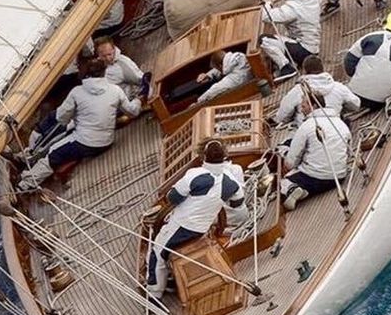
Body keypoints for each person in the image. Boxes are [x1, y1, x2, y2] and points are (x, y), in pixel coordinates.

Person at [17, 59, 141, 191]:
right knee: (66, 135)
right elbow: (133, 111)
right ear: (103, 73)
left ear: (86, 73)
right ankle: (30, 157)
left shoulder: (77, 92)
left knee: (53, 153)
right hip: (106, 140)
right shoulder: (115, 90)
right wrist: (138, 100)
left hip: (85, 142)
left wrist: (70, 120)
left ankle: (25, 184)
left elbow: (61, 118)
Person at [146, 140, 247, 299]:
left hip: (181, 226)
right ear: (225, 156)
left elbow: (173, 197)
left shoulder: (194, 175)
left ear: (203, 156)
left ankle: (154, 294)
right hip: (201, 229)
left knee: (158, 252)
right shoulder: (231, 182)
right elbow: (237, 203)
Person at [280, 92, 351, 211]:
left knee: (282, 183)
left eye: (304, 106)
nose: (302, 110)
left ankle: (292, 189)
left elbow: (291, 161)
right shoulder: (341, 124)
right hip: (339, 176)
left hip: (315, 177)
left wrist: (285, 160)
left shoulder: (307, 126)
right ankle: (303, 191)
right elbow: (348, 150)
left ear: (314, 106)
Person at [260, 0, 321, 82]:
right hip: (314, 48)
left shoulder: (291, 9)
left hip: (304, 50)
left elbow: (266, 16)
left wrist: (267, 3)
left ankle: (286, 67)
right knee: (284, 39)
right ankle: (292, 61)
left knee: (264, 40)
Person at [271, 55, 361, 126]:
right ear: (322, 69)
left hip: (307, 129)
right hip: (335, 126)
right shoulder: (339, 87)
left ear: (305, 71)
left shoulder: (298, 90)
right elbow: (356, 105)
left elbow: (282, 116)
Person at [94, 36, 149, 101]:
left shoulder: (122, 65)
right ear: (99, 55)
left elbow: (141, 80)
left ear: (113, 49)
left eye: (109, 54)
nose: (108, 59)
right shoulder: (105, 65)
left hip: (130, 100)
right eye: (104, 56)